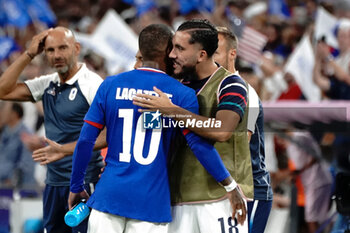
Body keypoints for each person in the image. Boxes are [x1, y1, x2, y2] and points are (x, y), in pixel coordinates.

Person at [68, 24, 245, 233]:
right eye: (174, 49)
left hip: (109, 196)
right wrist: (230, 185)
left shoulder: (110, 85)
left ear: (141, 51)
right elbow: (200, 146)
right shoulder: (182, 94)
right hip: (151, 203)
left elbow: (86, 141)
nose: (175, 54)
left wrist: (76, 186)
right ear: (166, 53)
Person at [133, 19, 253, 233]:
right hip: (177, 198)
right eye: (172, 47)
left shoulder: (231, 84)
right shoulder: (174, 89)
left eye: (179, 48)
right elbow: (152, 133)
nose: (171, 55)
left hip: (221, 198)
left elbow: (222, 131)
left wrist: (172, 110)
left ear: (201, 55)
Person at [0, 27, 104, 233]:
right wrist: (29, 53)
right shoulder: (47, 84)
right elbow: (3, 89)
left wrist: (64, 150)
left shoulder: (92, 85)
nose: (57, 55)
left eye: (63, 48)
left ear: (76, 48)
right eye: (50, 50)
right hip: (53, 184)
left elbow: (108, 135)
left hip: (85, 184)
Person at [212, 26, 273, 233]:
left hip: (251, 190)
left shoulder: (247, 93)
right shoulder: (211, 91)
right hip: (227, 188)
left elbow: (239, 145)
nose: (212, 59)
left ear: (232, 54)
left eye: (217, 52)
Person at [0, 102, 37, 188]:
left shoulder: (26, 135)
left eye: (3, 109)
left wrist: (12, 179)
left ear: (14, 114)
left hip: (17, 189)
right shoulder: (4, 132)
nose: (1, 112)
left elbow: (26, 166)